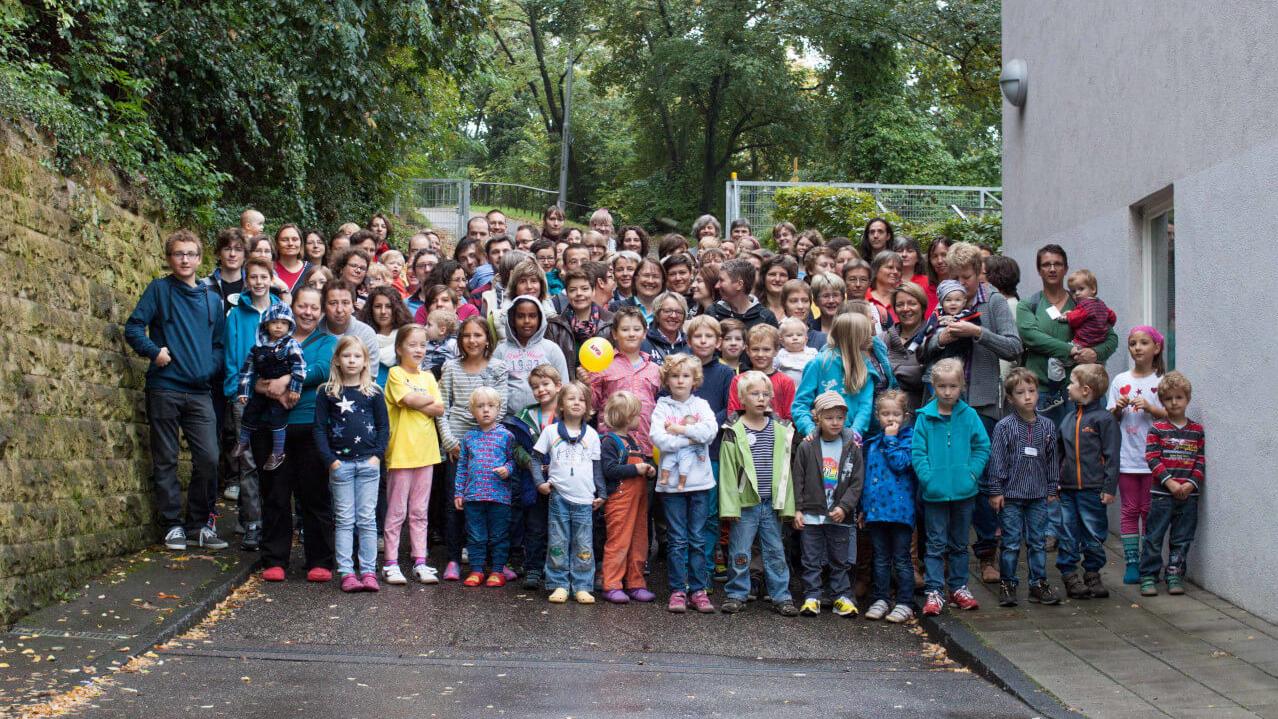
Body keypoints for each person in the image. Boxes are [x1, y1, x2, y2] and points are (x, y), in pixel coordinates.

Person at [919, 242, 1022, 584]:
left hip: (981, 403)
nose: (960, 285)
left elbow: (1014, 347)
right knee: (949, 478)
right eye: (955, 277)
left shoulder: (993, 302)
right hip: (944, 402)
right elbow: (926, 348)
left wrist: (977, 331)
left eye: (966, 277)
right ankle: (947, 553)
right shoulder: (946, 300)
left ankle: (986, 555)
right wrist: (944, 337)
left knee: (983, 480)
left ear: (980, 272)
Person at [125, 230, 228, 551]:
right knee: (166, 458)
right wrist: (155, 352)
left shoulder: (213, 299)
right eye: (178, 254)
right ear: (170, 258)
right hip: (165, 388)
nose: (185, 259)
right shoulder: (159, 290)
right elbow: (132, 327)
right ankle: (172, 526)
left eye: (191, 254)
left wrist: (207, 369)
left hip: (199, 392)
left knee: (210, 458)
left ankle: (198, 524)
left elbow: (219, 345)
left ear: (200, 259)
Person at [255, 286, 338, 582]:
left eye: (314, 308)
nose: (308, 312)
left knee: (314, 495)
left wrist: (287, 379)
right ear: (292, 309)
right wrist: (265, 387)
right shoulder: (269, 339)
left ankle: (320, 560)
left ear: (322, 312)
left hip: (310, 426)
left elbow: (322, 370)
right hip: (272, 425)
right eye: (302, 306)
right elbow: (254, 373)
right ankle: (275, 559)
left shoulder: (329, 341)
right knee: (275, 494)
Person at [589, 307, 661, 604]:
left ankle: (636, 578)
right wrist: (587, 380)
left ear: (644, 333)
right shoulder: (604, 365)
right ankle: (610, 579)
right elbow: (591, 403)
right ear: (614, 335)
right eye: (625, 329)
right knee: (617, 523)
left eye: (637, 329)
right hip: (614, 450)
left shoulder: (656, 368)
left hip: (645, 448)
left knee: (641, 524)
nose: (631, 334)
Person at [912, 358, 990, 616]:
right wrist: (928, 479)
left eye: (953, 386)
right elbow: (918, 452)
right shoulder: (924, 418)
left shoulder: (969, 416)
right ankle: (934, 590)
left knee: (958, 544)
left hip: (964, 493)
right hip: (934, 494)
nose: (947, 392)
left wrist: (971, 474)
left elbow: (982, 447)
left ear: (962, 386)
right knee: (935, 544)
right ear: (933, 386)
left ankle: (958, 587)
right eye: (942, 386)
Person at [718, 371, 798, 616]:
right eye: (754, 394)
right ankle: (736, 593)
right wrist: (730, 507)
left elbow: (786, 472)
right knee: (740, 551)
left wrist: (787, 506)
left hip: (771, 503)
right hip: (745, 504)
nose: (761, 398)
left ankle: (781, 595)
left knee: (775, 551)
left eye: (765, 394)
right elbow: (728, 472)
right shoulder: (733, 430)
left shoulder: (781, 430)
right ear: (742, 398)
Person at [313, 337, 388, 593]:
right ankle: (346, 572)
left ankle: (368, 571)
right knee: (345, 519)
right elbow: (320, 429)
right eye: (347, 356)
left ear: (366, 361)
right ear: (337, 360)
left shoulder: (374, 392)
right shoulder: (327, 392)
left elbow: (383, 427)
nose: (352, 361)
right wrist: (330, 461)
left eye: (357, 356)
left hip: (368, 464)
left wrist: (377, 455)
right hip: (340, 465)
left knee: (367, 520)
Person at [437, 317, 507, 582]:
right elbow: (442, 407)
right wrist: (450, 442)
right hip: (457, 446)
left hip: (489, 447)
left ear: (487, 339)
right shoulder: (451, 368)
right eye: (466, 335)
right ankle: (454, 558)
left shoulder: (498, 368)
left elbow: (500, 407)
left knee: (491, 504)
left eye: (478, 335)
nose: (472, 340)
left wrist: (485, 441)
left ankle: (492, 562)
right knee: (456, 503)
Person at [1017, 244, 1119, 426]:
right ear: (1039, 270)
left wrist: (1095, 353)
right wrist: (1070, 350)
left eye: (1058, 264)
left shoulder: (1084, 303)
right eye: (1046, 264)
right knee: (1045, 451)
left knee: (1086, 450)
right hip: (1043, 393)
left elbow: (1111, 339)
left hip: (1084, 391)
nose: (1052, 269)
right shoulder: (1028, 305)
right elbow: (1031, 336)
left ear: (1066, 269)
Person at [986, 368, 1061, 607]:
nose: (1028, 397)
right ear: (1010, 398)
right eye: (1021, 392)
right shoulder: (1004, 427)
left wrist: (1051, 488)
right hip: (1011, 496)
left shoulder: (1048, 426)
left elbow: (1052, 460)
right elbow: (997, 460)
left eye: (1032, 391)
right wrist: (996, 490)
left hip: (1038, 495)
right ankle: (1008, 584)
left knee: (1037, 541)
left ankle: (1038, 583)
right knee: (1010, 542)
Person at [649, 355, 718, 610]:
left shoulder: (702, 405)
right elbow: (659, 439)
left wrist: (679, 430)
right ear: (667, 379)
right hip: (671, 487)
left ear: (695, 380)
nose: (680, 380)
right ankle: (678, 590)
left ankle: (699, 589)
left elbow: (710, 432)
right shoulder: (662, 407)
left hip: (700, 483)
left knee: (697, 538)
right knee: (677, 539)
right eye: (675, 376)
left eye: (686, 376)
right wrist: (691, 439)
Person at [382, 324, 445, 586]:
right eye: (412, 345)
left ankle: (420, 560)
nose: (419, 349)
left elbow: (440, 408)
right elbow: (408, 400)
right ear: (399, 348)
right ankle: (391, 563)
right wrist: (424, 401)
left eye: (423, 345)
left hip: (426, 452)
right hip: (401, 452)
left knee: (420, 511)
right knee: (397, 511)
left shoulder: (429, 376)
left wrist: (424, 401)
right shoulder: (395, 374)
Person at [791, 391, 863, 618]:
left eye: (840, 418)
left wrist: (845, 507)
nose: (835, 422)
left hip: (839, 515)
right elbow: (798, 479)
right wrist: (797, 509)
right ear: (818, 418)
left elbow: (856, 482)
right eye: (829, 418)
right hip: (812, 514)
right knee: (811, 558)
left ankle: (841, 595)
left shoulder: (852, 447)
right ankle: (812, 595)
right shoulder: (807, 446)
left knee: (839, 558)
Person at [533, 381, 606, 604]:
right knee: (558, 541)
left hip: (585, 499)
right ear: (561, 404)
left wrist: (601, 493)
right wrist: (539, 483)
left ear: (588, 406)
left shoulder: (592, 435)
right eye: (571, 398)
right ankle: (559, 584)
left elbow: (597, 467)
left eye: (582, 399)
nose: (576, 403)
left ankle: (583, 585)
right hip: (559, 497)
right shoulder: (551, 431)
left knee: (583, 542)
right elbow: (535, 459)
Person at [1107, 326, 1167, 584]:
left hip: (1155, 460)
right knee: (1130, 510)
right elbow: (1109, 419)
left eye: (1144, 343)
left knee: (1149, 511)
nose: (1138, 348)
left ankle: (1148, 561)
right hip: (1127, 458)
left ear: (1157, 348)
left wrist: (1152, 408)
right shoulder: (1120, 380)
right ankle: (1132, 561)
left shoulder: (1162, 381)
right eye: (1133, 343)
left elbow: (1172, 415)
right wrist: (1118, 409)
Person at [1057, 363, 1120, 601]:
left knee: (1094, 533)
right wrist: (1055, 481)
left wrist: (1109, 487)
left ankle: (1092, 573)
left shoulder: (1104, 420)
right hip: (1067, 490)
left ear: (1085, 390)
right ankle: (1069, 574)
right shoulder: (1067, 419)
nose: (1068, 387)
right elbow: (1058, 453)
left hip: (1093, 490)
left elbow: (1113, 455)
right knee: (1067, 533)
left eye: (1072, 382)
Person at [1139, 371, 1205, 598]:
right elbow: (1152, 458)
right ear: (1162, 401)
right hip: (1161, 494)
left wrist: (1189, 484)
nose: (1174, 402)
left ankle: (1175, 574)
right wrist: (1170, 483)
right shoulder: (1157, 428)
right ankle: (1148, 575)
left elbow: (1200, 461)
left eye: (1179, 397)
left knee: (1182, 537)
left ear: (1187, 399)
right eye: (1168, 399)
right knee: (1154, 535)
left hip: (1188, 496)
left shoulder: (1197, 430)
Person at [859, 390, 917, 623]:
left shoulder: (908, 439)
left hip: (900, 512)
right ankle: (880, 598)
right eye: (885, 414)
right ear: (877, 416)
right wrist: (863, 508)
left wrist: (892, 439)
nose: (890, 419)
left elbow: (901, 464)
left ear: (905, 415)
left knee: (901, 559)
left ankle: (905, 602)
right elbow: (867, 478)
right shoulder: (872, 443)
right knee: (880, 558)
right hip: (876, 511)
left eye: (895, 414)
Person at [507, 364, 564, 589]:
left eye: (545, 384)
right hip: (532, 482)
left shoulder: (568, 414)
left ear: (559, 386)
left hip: (562, 481)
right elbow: (515, 447)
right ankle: (533, 568)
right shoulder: (525, 416)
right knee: (535, 526)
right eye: (535, 387)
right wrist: (531, 463)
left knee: (560, 527)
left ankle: (558, 570)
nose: (540, 390)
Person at [454, 386, 517, 587]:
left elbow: (513, 461)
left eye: (491, 406)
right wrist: (459, 492)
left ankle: (497, 570)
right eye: (480, 406)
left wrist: (507, 469)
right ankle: (477, 569)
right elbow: (462, 465)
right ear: (472, 411)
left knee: (499, 535)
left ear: (499, 409)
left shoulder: (506, 436)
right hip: (473, 496)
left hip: (499, 496)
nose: (486, 410)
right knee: (475, 535)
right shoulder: (468, 437)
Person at [232, 303, 305, 471]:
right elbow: (247, 371)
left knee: (277, 418)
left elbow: (299, 368)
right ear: (266, 324)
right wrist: (243, 391)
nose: (279, 326)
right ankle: (242, 442)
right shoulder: (257, 347)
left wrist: (295, 389)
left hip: (281, 390)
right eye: (274, 322)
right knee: (250, 412)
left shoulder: (290, 344)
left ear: (289, 326)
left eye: (284, 323)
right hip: (263, 387)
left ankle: (278, 452)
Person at [793, 313, 876, 441]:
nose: (871, 338)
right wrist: (810, 430)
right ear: (853, 337)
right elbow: (800, 404)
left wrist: (854, 433)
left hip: (852, 440)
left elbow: (865, 406)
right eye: (866, 334)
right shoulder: (820, 363)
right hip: (820, 439)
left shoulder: (866, 366)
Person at [493, 296, 570, 415]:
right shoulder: (501, 351)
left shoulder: (551, 349)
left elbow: (564, 385)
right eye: (520, 316)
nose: (527, 321)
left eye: (532, 316)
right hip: (510, 420)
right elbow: (493, 388)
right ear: (512, 319)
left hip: (546, 418)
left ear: (540, 319)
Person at [1055, 269, 1117, 379]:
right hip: (1098, 344)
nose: (1077, 293)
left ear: (1093, 289)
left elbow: (1075, 319)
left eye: (1081, 289)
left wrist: (1066, 316)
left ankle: (1056, 380)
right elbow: (1112, 317)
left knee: (1056, 361)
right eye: (1073, 291)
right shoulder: (1101, 304)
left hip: (1082, 343)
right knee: (1096, 371)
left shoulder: (1084, 305)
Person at [726, 325, 795, 422]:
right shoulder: (739, 380)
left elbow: (789, 415)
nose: (760, 354)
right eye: (755, 349)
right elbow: (733, 413)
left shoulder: (786, 381)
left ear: (776, 351)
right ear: (747, 350)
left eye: (766, 349)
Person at [920, 280, 981, 375]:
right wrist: (939, 339)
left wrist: (956, 322)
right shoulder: (935, 317)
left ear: (964, 301)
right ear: (941, 302)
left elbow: (976, 332)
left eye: (957, 300)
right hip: (933, 372)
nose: (953, 303)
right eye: (948, 300)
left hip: (958, 371)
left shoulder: (969, 317)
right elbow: (923, 344)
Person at [710, 259, 778, 341]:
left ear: (739, 284)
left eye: (721, 280)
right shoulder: (712, 312)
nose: (717, 286)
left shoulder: (766, 317)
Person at [885, 283, 927, 412]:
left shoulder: (932, 337)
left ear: (922, 306)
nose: (905, 308)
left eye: (912, 303)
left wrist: (889, 369)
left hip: (920, 416)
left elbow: (925, 376)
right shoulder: (883, 339)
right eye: (900, 304)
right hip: (885, 417)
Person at [359, 286, 413, 386]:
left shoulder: (408, 336)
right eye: (378, 306)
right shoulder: (361, 338)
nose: (383, 311)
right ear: (370, 309)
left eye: (389, 306)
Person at [202, 227, 247, 311]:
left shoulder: (252, 286)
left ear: (245, 255)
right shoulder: (203, 286)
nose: (232, 254)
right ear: (219, 253)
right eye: (227, 249)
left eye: (238, 249)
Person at [641, 291, 690, 364]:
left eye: (679, 312)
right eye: (667, 311)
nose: (673, 316)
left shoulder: (690, 344)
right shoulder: (643, 341)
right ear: (657, 315)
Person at [776, 317, 817, 386]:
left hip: (809, 388)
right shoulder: (780, 354)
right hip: (787, 389)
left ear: (806, 339)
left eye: (799, 335)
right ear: (782, 341)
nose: (795, 338)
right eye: (789, 335)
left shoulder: (812, 353)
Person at [273, 224, 311, 295]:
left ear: (301, 243)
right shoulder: (269, 269)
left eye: (295, 239)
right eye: (285, 240)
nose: (290, 243)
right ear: (277, 244)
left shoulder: (311, 270)